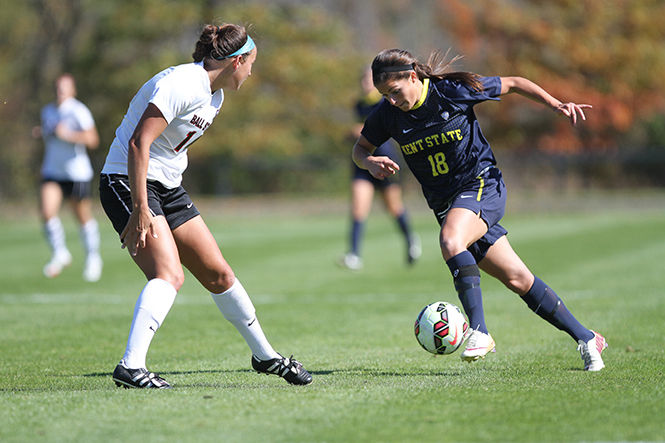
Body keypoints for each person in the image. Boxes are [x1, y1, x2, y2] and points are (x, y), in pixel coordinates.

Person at [352, 48, 608, 371]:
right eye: (384, 95)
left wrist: (556, 104)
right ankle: (586, 337)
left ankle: (480, 331)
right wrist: (369, 161)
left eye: (394, 92)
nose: (390, 100)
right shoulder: (387, 114)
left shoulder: (451, 93)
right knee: (518, 279)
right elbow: (359, 149)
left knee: (450, 242)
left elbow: (513, 83)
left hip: (482, 184)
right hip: (448, 205)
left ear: (413, 77)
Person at [99, 24, 312, 388]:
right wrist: (139, 208)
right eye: (251, 64)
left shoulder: (215, 96)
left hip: (166, 186)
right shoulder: (184, 83)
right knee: (169, 275)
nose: (251, 72)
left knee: (220, 275)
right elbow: (138, 143)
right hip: (127, 181)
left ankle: (266, 356)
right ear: (237, 61)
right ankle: (131, 365)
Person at [339, 68, 421, 271]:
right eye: (364, 80)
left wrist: (360, 129)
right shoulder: (359, 105)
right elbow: (362, 134)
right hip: (364, 162)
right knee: (358, 208)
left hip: (386, 161)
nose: (366, 83)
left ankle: (411, 239)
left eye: (369, 80)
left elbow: (379, 128)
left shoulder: (386, 101)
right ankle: (354, 254)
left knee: (393, 208)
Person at [36, 73, 103, 282]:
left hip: (76, 173)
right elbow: (49, 134)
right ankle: (60, 253)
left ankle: (93, 258)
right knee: (47, 212)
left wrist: (68, 135)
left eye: (64, 88)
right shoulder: (47, 111)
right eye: (57, 88)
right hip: (52, 171)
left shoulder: (79, 111)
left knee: (82, 216)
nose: (60, 92)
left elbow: (93, 140)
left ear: (72, 90)